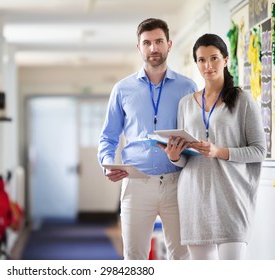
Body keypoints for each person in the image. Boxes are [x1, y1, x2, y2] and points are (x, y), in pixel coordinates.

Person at [97, 18, 197, 260]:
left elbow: (196, 138)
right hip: (136, 184)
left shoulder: (187, 87)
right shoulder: (122, 89)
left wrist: (183, 151)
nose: (154, 48)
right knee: (134, 257)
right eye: (147, 43)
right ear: (139, 48)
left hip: (177, 183)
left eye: (159, 42)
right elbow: (108, 137)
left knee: (182, 257)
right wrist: (107, 163)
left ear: (169, 44)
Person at [159, 33, 266, 259]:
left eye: (214, 58)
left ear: (225, 60)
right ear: (196, 63)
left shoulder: (243, 100)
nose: (208, 65)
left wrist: (220, 151)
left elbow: (259, 150)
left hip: (231, 197)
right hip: (194, 198)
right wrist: (174, 156)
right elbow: (184, 159)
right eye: (201, 60)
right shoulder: (186, 104)